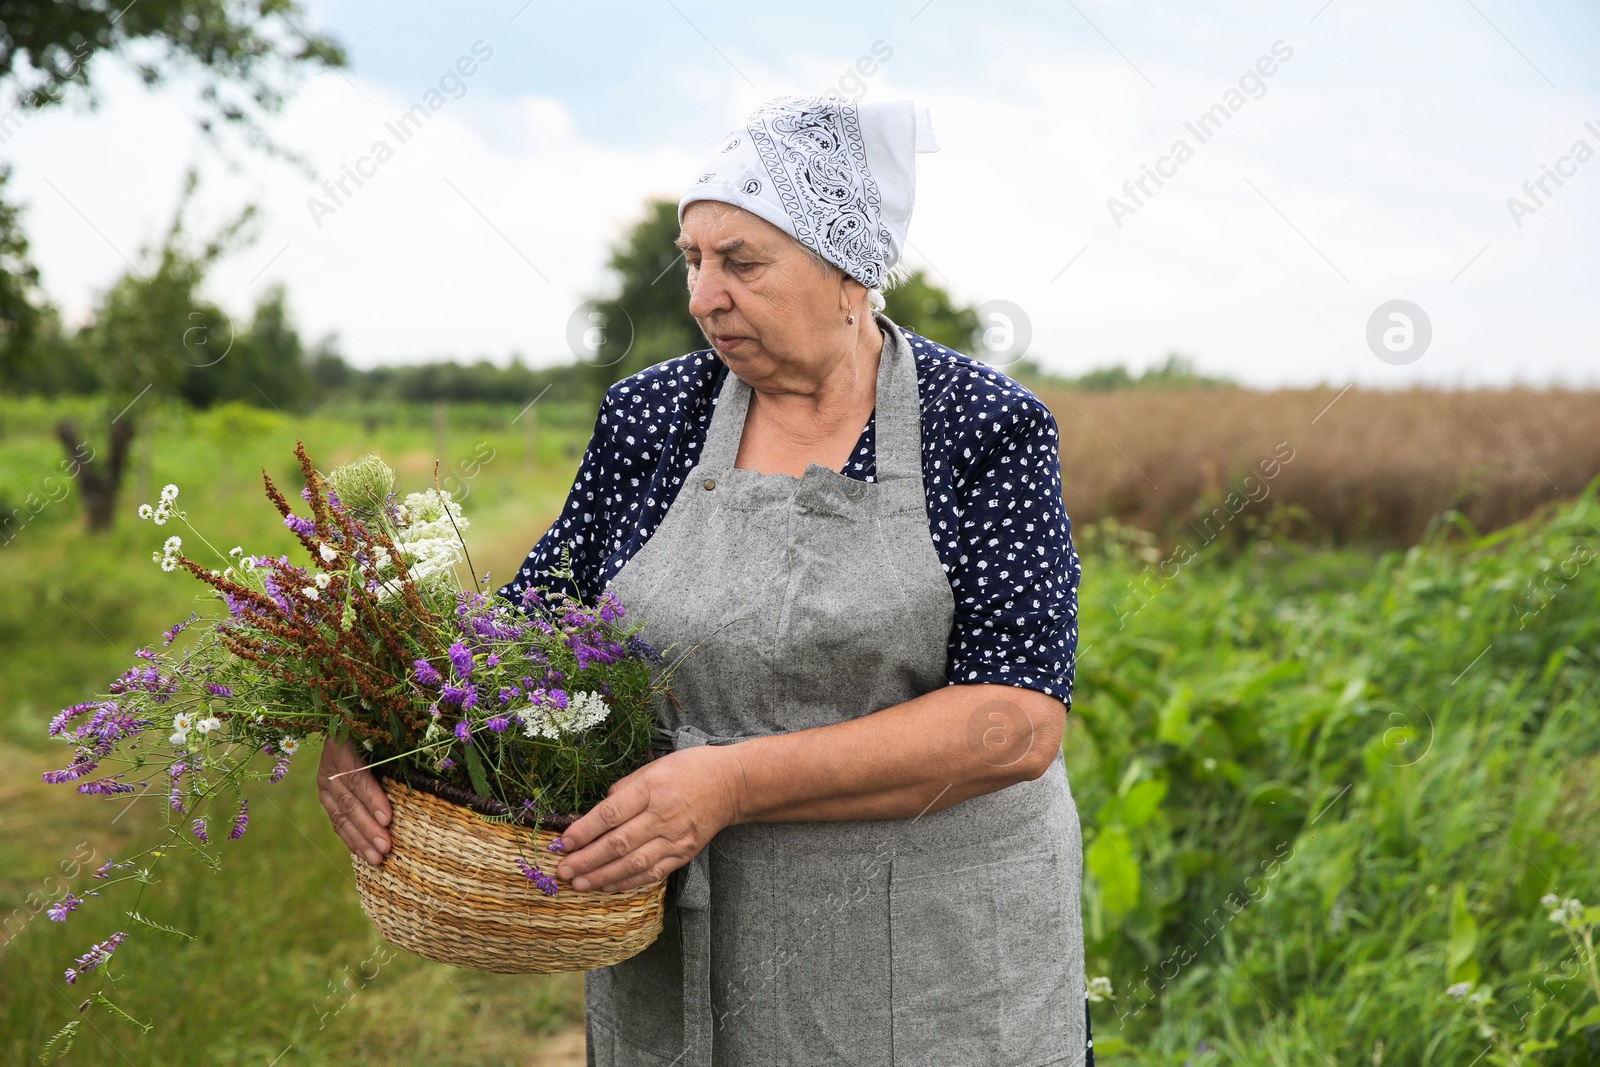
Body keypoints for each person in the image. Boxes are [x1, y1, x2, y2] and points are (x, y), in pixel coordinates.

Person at [318, 94, 1091, 1067]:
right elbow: (526, 629)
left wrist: (729, 780)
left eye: (741, 262)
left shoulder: (977, 425)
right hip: (683, 949)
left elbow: (1016, 721)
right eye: (692, 260)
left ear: (847, 272)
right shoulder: (655, 417)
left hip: (927, 953)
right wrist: (377, 725)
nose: (702, 296)